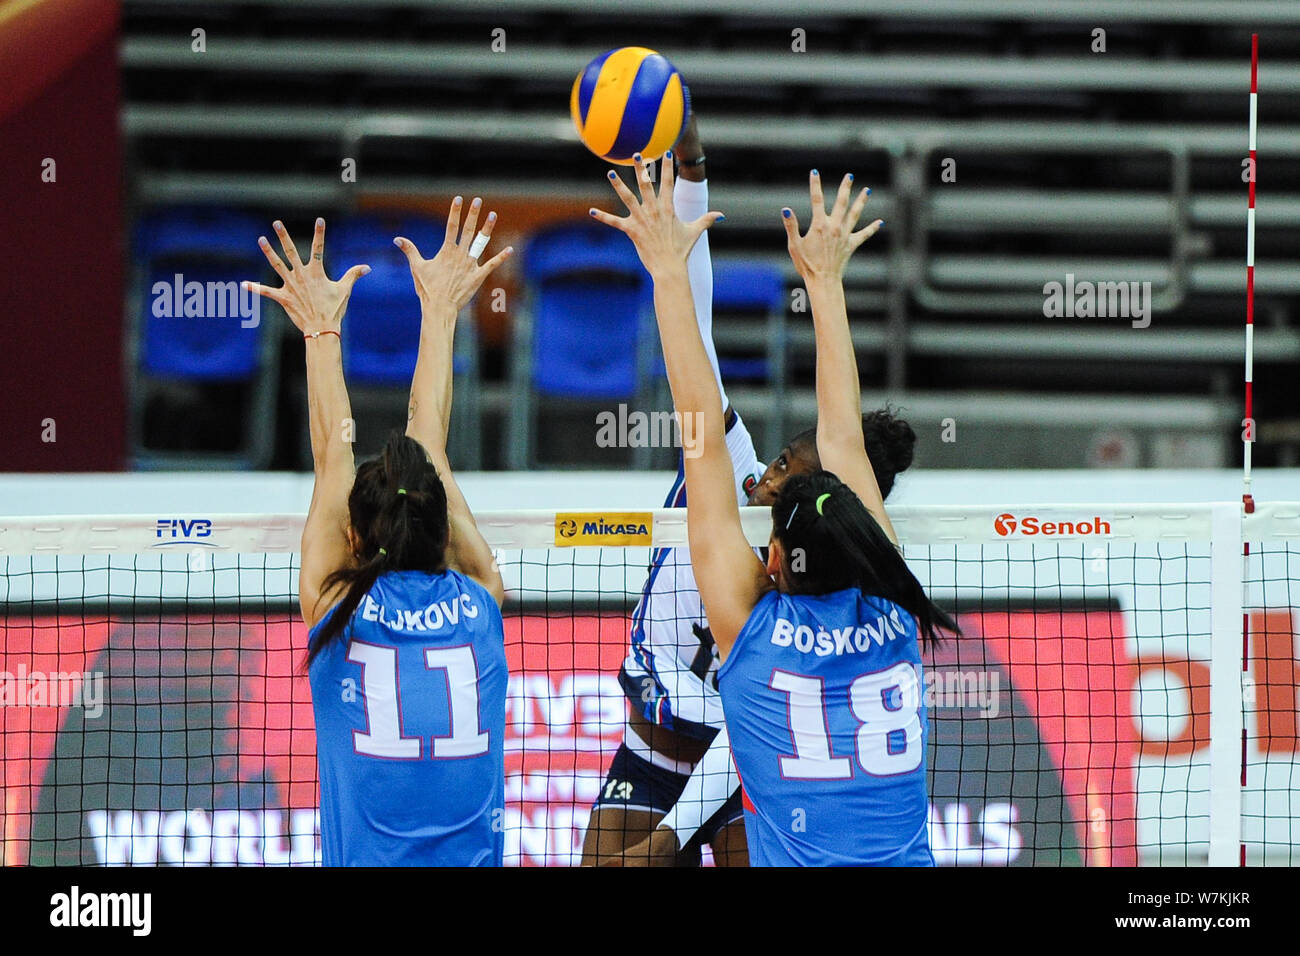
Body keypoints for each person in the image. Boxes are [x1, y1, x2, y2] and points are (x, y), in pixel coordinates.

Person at [590, 155, 958, 865]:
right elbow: (842, 436)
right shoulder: (895, 612)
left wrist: (670, 274)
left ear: (777, 559)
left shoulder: (753, 638)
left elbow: (702, 431)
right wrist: (825, 281)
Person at [244, 200, 512, 865]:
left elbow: (334, 454)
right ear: (445, 531)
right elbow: (429, 446)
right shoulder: (480, 601)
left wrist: (320, 329)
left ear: (354, 539)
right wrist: (443, 310)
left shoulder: (337, 611)